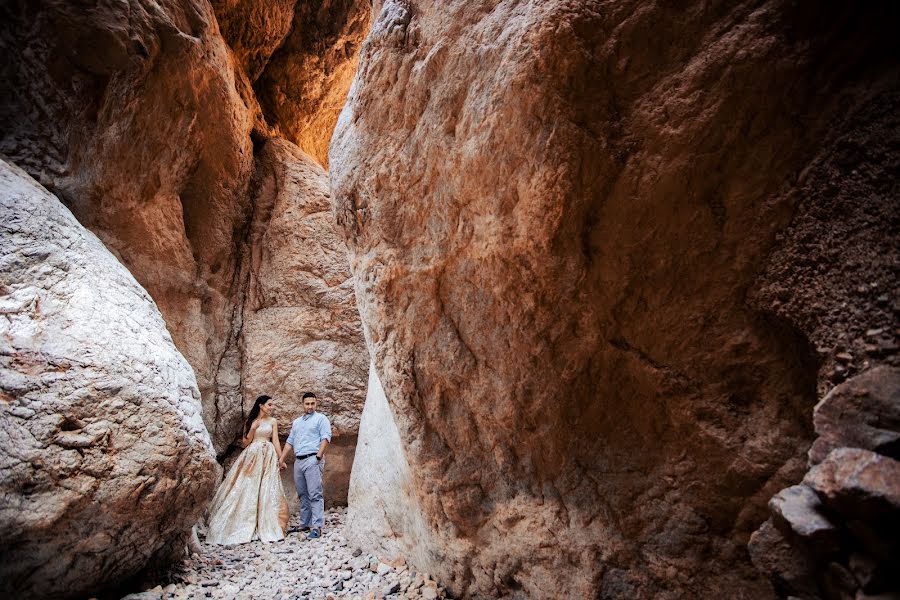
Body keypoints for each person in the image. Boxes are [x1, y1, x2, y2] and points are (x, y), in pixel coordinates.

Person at [205, 395, 289, 545]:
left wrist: (281, 459)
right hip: (253, 454)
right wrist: (252, 428)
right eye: (269, 405)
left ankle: (266, 522)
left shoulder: (273, 421)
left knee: (267, 486)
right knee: (248, 485)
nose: (271, 407)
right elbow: (245, 443)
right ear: (261, 406)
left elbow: (275, 440)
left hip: (268, 454)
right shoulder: (250, 422)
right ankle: (244, 521)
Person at [279, 392, 331, 539]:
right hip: (299, 460)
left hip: (313, 458)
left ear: (316, 403)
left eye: (312, 403)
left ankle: (317, 526)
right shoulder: (297, 422)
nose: (310, 406)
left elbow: (326, 437)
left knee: (315, 493)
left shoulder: (321, 419)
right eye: (307, 404)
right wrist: (281, 459)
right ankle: (305, 524)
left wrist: (318, 456)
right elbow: (290, 441)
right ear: (302, 404)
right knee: (302, 494)